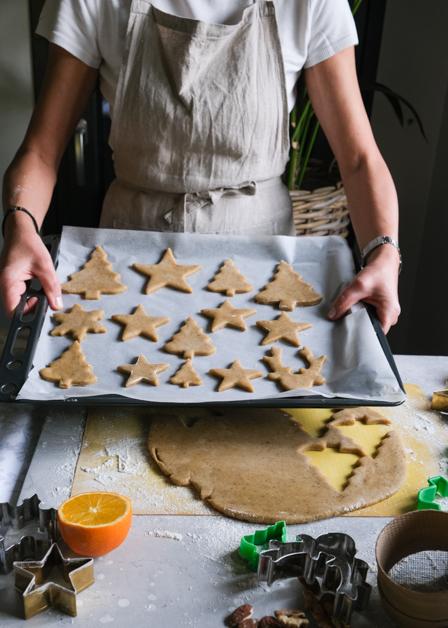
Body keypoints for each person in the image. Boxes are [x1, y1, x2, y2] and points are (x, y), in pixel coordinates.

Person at [0, 0, 401, 333]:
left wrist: (384, 253)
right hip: (130, 257)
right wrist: (19, 224)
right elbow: (40, 150)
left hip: (261, 266)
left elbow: (359, 159)